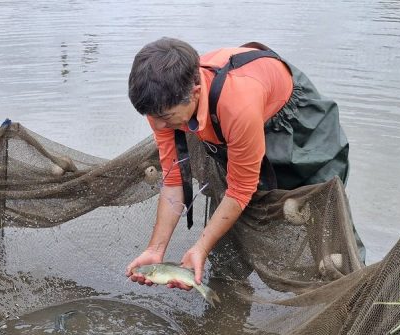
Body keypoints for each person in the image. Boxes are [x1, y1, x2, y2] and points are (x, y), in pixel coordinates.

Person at [125, 37, 350, 289]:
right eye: (151, 116)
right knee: (224, 244)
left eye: (164, 117)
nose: (157, 126)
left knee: (325, 227)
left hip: (296, 129)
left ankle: (347, 299)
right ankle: (224, 289)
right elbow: (174, 177)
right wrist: (156, 250)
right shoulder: (160, 103)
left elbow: (241, 189)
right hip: (233, 117)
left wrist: (199, 247)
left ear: (195, 93)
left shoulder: (237, 104)